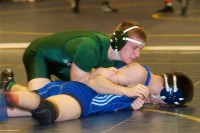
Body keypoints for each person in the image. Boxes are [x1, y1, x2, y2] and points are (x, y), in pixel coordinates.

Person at [0, 62, 194, 125]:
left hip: (65, 88)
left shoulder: (141, 85)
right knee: (49, 111)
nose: (159, 105)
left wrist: (130, 100)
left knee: (10, 110)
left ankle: (11, 89)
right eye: (164, 103)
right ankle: (22, 96)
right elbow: (96, 81)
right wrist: (126, 92)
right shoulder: (139, 74)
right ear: (168, 95)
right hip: (81, 96)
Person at [0, 20, 147, 93]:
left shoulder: (119, 57)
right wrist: (97, 72)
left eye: (140, 49)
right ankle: (10, 85)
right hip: (40, 55)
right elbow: (78, 82)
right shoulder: (90, 49)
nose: (137, 54)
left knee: (58, 94)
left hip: (68, 63)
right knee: (41, 98)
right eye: (134, 48)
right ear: (119, 42)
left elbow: (132, 81)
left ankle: (49, 84)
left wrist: (140, 95)